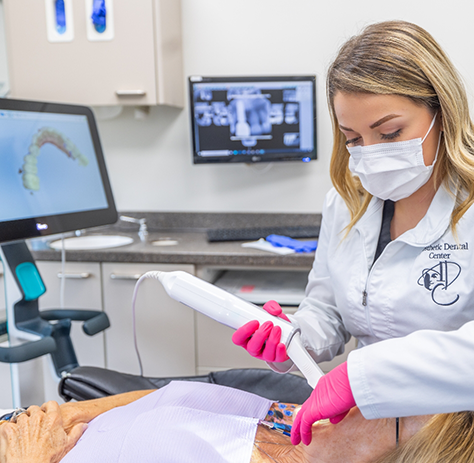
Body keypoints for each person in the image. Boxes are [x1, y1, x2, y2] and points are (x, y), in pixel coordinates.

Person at [232, 19, 474, 446]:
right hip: (368, 421)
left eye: (390, 133)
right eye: (354, 139)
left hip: (454, 430)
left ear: (442, 111)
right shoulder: (346, 203)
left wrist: (360, 376)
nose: (372, 154)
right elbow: (327, 311)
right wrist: (292, 336)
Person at [2, 385, 473, 463]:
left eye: (387, 411)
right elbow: (170, 393)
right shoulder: (295, 422)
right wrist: (63, 415)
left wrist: (29, 454)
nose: (362, 398)